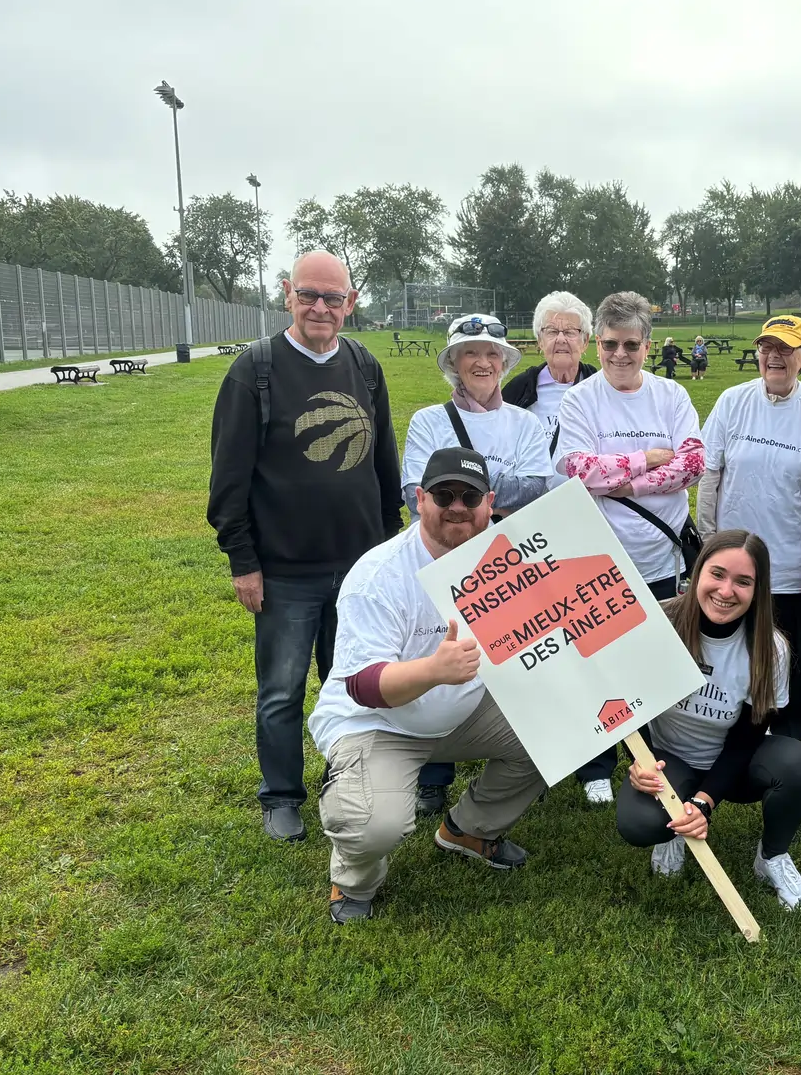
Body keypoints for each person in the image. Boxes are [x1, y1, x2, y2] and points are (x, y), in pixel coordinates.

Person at [207, 250, 403, 843]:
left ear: (350, 303)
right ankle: (281, 795)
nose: (321, 308)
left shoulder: (365, 367)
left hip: (358, 571)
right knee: (281, 692)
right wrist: (244, 561)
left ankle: (343, 782)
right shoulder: (256, 371)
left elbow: (384, 465)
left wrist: (389, 549)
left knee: (353, 688)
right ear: (287, 294)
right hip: (285, 573)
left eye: (333, 298)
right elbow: (229, 479)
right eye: (309, 295)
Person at [309, 447, 546, 923]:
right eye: (444, 494)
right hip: (377, 722)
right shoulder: (380, 575)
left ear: (490, 502)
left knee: (564, 728)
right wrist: (434, 670)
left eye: (470, 496)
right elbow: (363, 686)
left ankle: (469, 830)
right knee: (372, 824)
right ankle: (354, 881)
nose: (458, 506)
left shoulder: (510, 557)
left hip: (462, 710)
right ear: (420, 500)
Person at [617, 530, 801, 909]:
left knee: (798, 765)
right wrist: (639, 764)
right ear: (697, 573)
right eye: (717, 574)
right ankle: (671, 831)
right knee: (638, 823)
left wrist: (704, 803)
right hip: (669, 762)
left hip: (733, 763)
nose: (726, 591)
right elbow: (629, 707)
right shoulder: (658, 624)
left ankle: (772, 856)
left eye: (743, 581)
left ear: (758, 590)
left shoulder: (770, 648)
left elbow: (747, 738)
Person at [399, 312, 553, 814]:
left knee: (512, 659)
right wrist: (490, 498)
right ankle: (432, 776)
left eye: (491, 354)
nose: (482, 362)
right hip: (443, 561)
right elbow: (413, 495)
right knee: (442, 659)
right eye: (471, 354)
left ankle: (510, 763)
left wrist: (456, 494)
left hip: (509, 565)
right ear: (454, 363)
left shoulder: (526, 423)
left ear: (505, 363)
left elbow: (535, 489)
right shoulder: (428, 420)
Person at [556, 292, 705, 803]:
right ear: (597, 343)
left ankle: (653, 758)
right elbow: (576, 468)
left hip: (662, 554)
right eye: (610, 344)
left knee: (650, 663)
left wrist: (627, 483)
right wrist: (646, 457)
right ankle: (596, 760)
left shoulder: (671, 395)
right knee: (597, 661)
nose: (621, 354)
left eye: (632, 344)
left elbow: (691, 464)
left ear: (647, 345)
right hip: (597, 557)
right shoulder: (580, 399)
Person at [699, 316, 801, 740]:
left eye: (786, 349)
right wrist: (707, 545)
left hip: (788, 562)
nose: (774, 356)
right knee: (732, 648)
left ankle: (789, 738)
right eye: (767, 348)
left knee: (789, 654)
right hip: (733, 559)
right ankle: (732, 732)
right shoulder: (733, 401)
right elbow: (709, 475)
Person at [501, 291, 599, 463]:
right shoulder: (518, 390)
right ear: (540, 340)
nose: (561, 339)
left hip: (589, 490)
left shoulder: (601, 388)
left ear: (584, 341)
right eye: (552, 331)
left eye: (570, 332)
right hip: (532, 489)